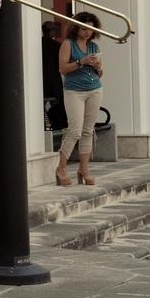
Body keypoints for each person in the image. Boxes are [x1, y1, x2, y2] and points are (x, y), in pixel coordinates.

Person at [55, 12, 104, 186]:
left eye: (90, 29)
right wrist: (81, 62)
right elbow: (62, 69)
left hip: (94, 89)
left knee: (88, 131)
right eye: (84, 28)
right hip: (74, 91)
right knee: (75, 130)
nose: (87, 32)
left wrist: (98, 67)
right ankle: (61, 168)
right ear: (76, 28)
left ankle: (84, 169)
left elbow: (100, 73)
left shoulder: (94, 46)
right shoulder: (68, 44)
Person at [42, 21, 68, 130]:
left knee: (42, 105)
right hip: (54, 81)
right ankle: (58, 125)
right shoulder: (56, 45)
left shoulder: (37, 44)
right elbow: (61, 64)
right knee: (58, 104)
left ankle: (44, 127)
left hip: (41, 80)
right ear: (52, 30)